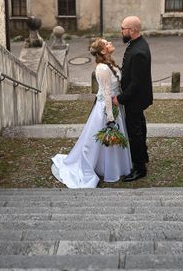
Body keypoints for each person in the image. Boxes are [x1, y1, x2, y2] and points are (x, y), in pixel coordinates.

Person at [51, 38, 132, 188]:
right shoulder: (102, 68)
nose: (110, 43)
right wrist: (110, 117)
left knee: (113, 138)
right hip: (105, 109)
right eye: (106, 43)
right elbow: (107, 93)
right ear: (102, 51)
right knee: (103, 137)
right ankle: (103, 167)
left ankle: (115, 167)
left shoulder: (110, 64)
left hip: (115, 105)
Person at [113, 16, 153, 182]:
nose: (121, 31)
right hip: (137, 99)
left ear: (132, 30)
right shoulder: (136, 45)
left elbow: (136, 83)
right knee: (140, 127)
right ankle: (143, 156)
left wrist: (120, 99)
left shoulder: (139, 52)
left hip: (135, 99)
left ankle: (139, 169)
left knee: (134, 132)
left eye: (123, 28)